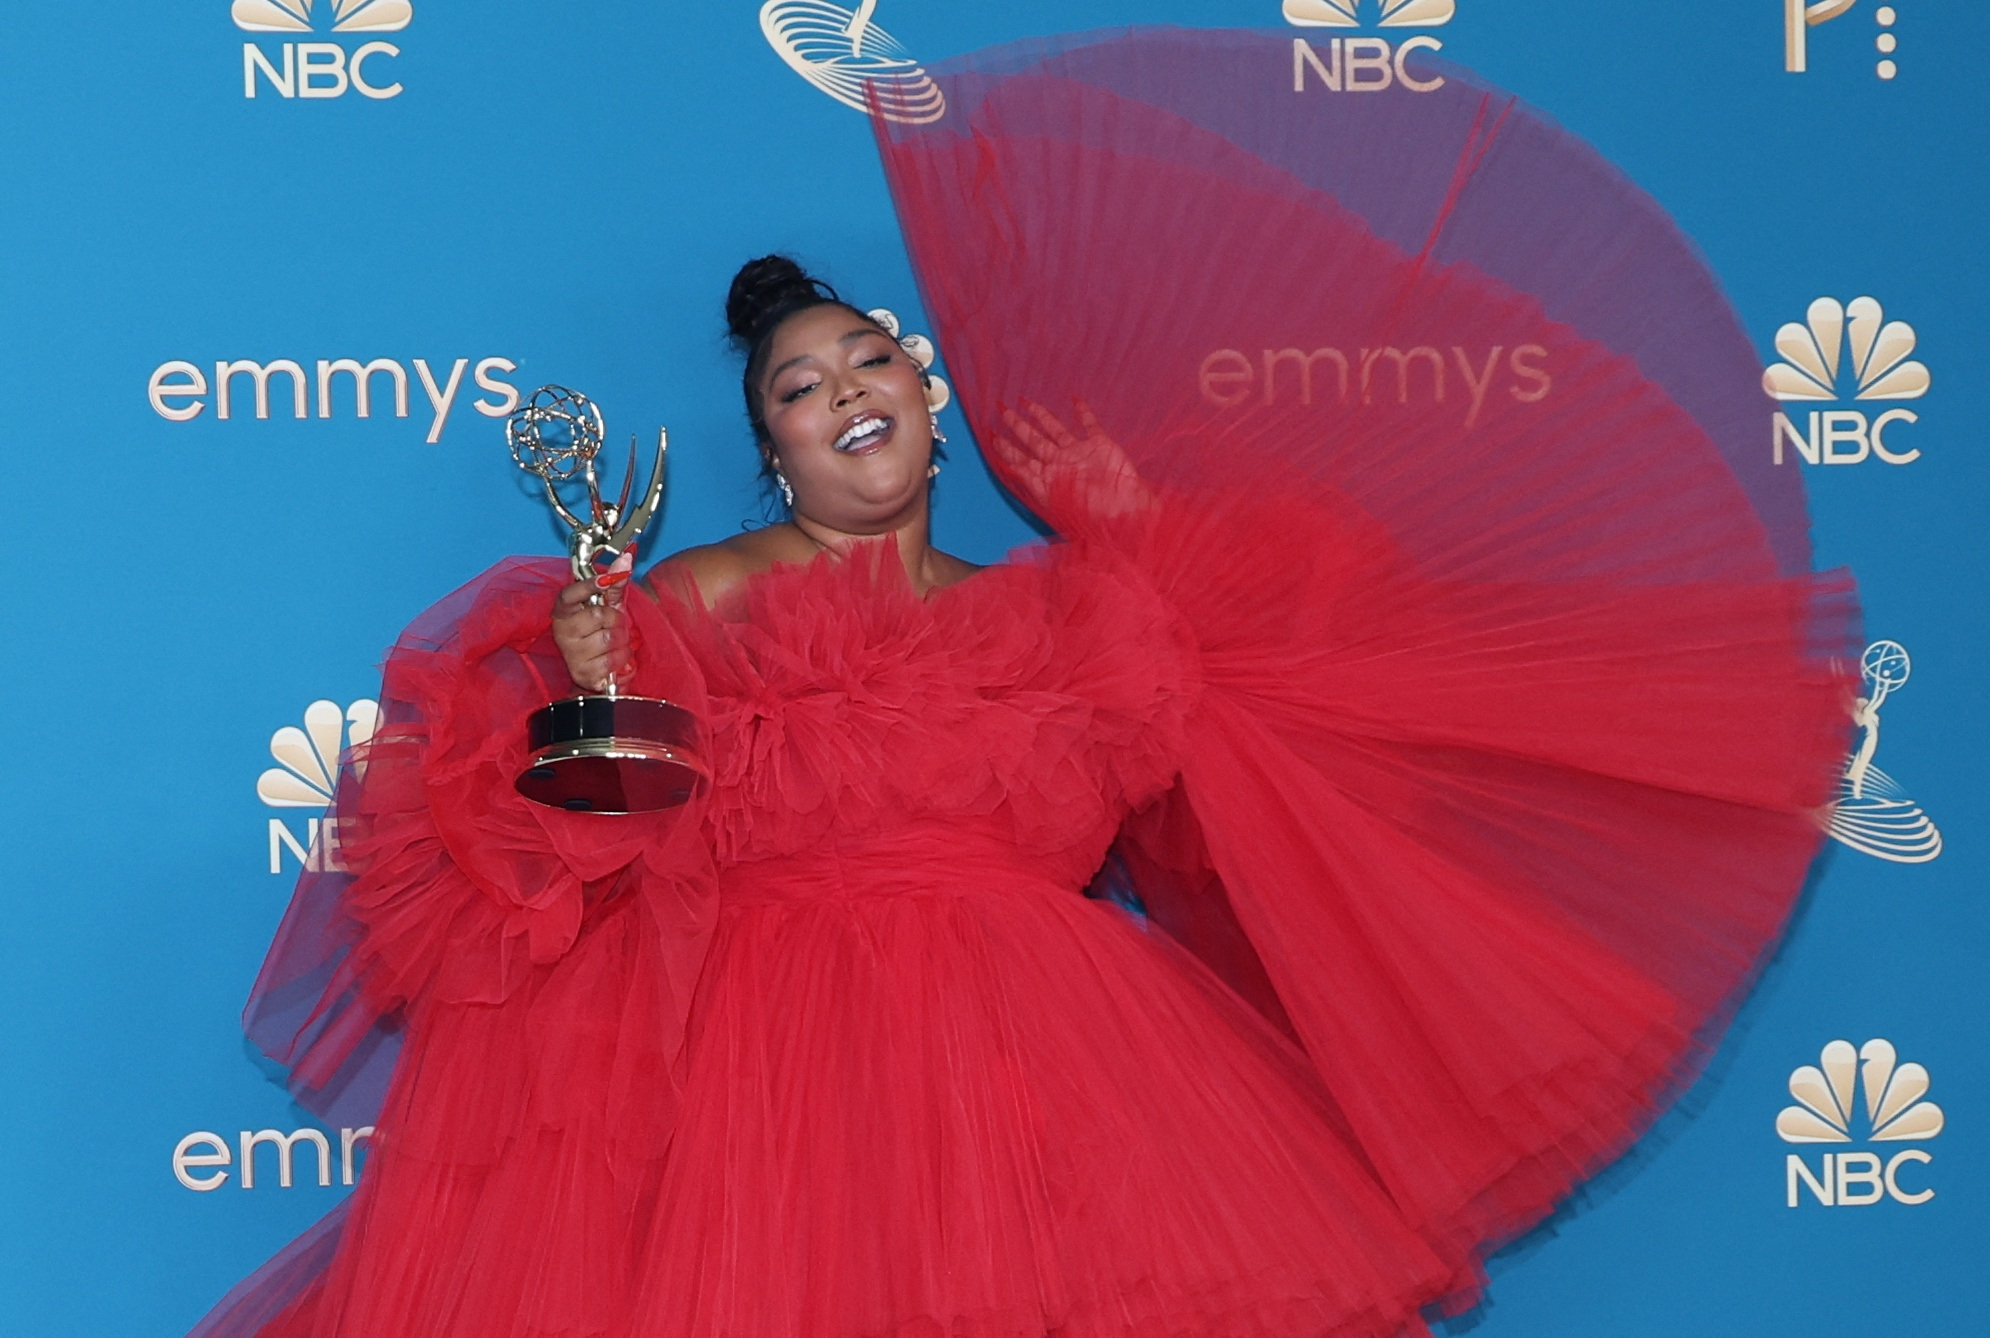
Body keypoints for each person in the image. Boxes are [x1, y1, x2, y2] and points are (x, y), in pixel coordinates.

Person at [197, 29, 1857, 1338]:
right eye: (798, 386)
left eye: (871, 361)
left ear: (925, 399)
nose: (845, 390)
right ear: (769, 449)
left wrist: (1141, 531)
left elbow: (1290, 739)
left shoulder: (1071, 611)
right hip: (764, 1113)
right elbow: (570, 866)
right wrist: (576, 695)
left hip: (1059, 1093)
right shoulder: (680, 600)